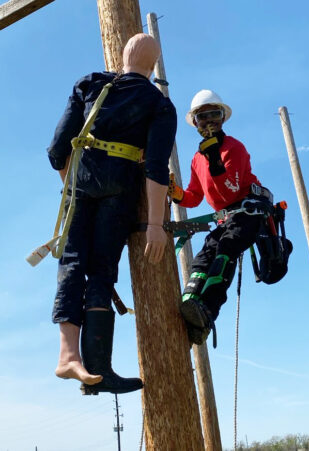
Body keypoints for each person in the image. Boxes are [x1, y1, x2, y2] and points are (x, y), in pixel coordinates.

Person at [47, 33, 177, 394]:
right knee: (101, 272)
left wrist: (73, 185)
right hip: (119, 189)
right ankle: (100, 368)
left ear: (122, 57)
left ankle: (68, 356)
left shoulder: (89, 84)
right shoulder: (157, 102)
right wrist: (154, 224)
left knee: (72, 261)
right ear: (152, 68)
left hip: (80, 183)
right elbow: (155, 168)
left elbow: (58, 149)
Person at [168, 89, 273, 346]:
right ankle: (191, 304)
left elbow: (232, 189)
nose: (209, 121)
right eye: (202, 117)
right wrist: (176, 193)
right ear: (195, 123)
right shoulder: (197, 159)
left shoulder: (234, 148)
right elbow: (195, 196)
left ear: (223, 118)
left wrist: (215, 160)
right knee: (204, 256)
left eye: (214, 114)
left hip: (248, 213)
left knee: (225, 251)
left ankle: (207, 312)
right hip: (227, 219)